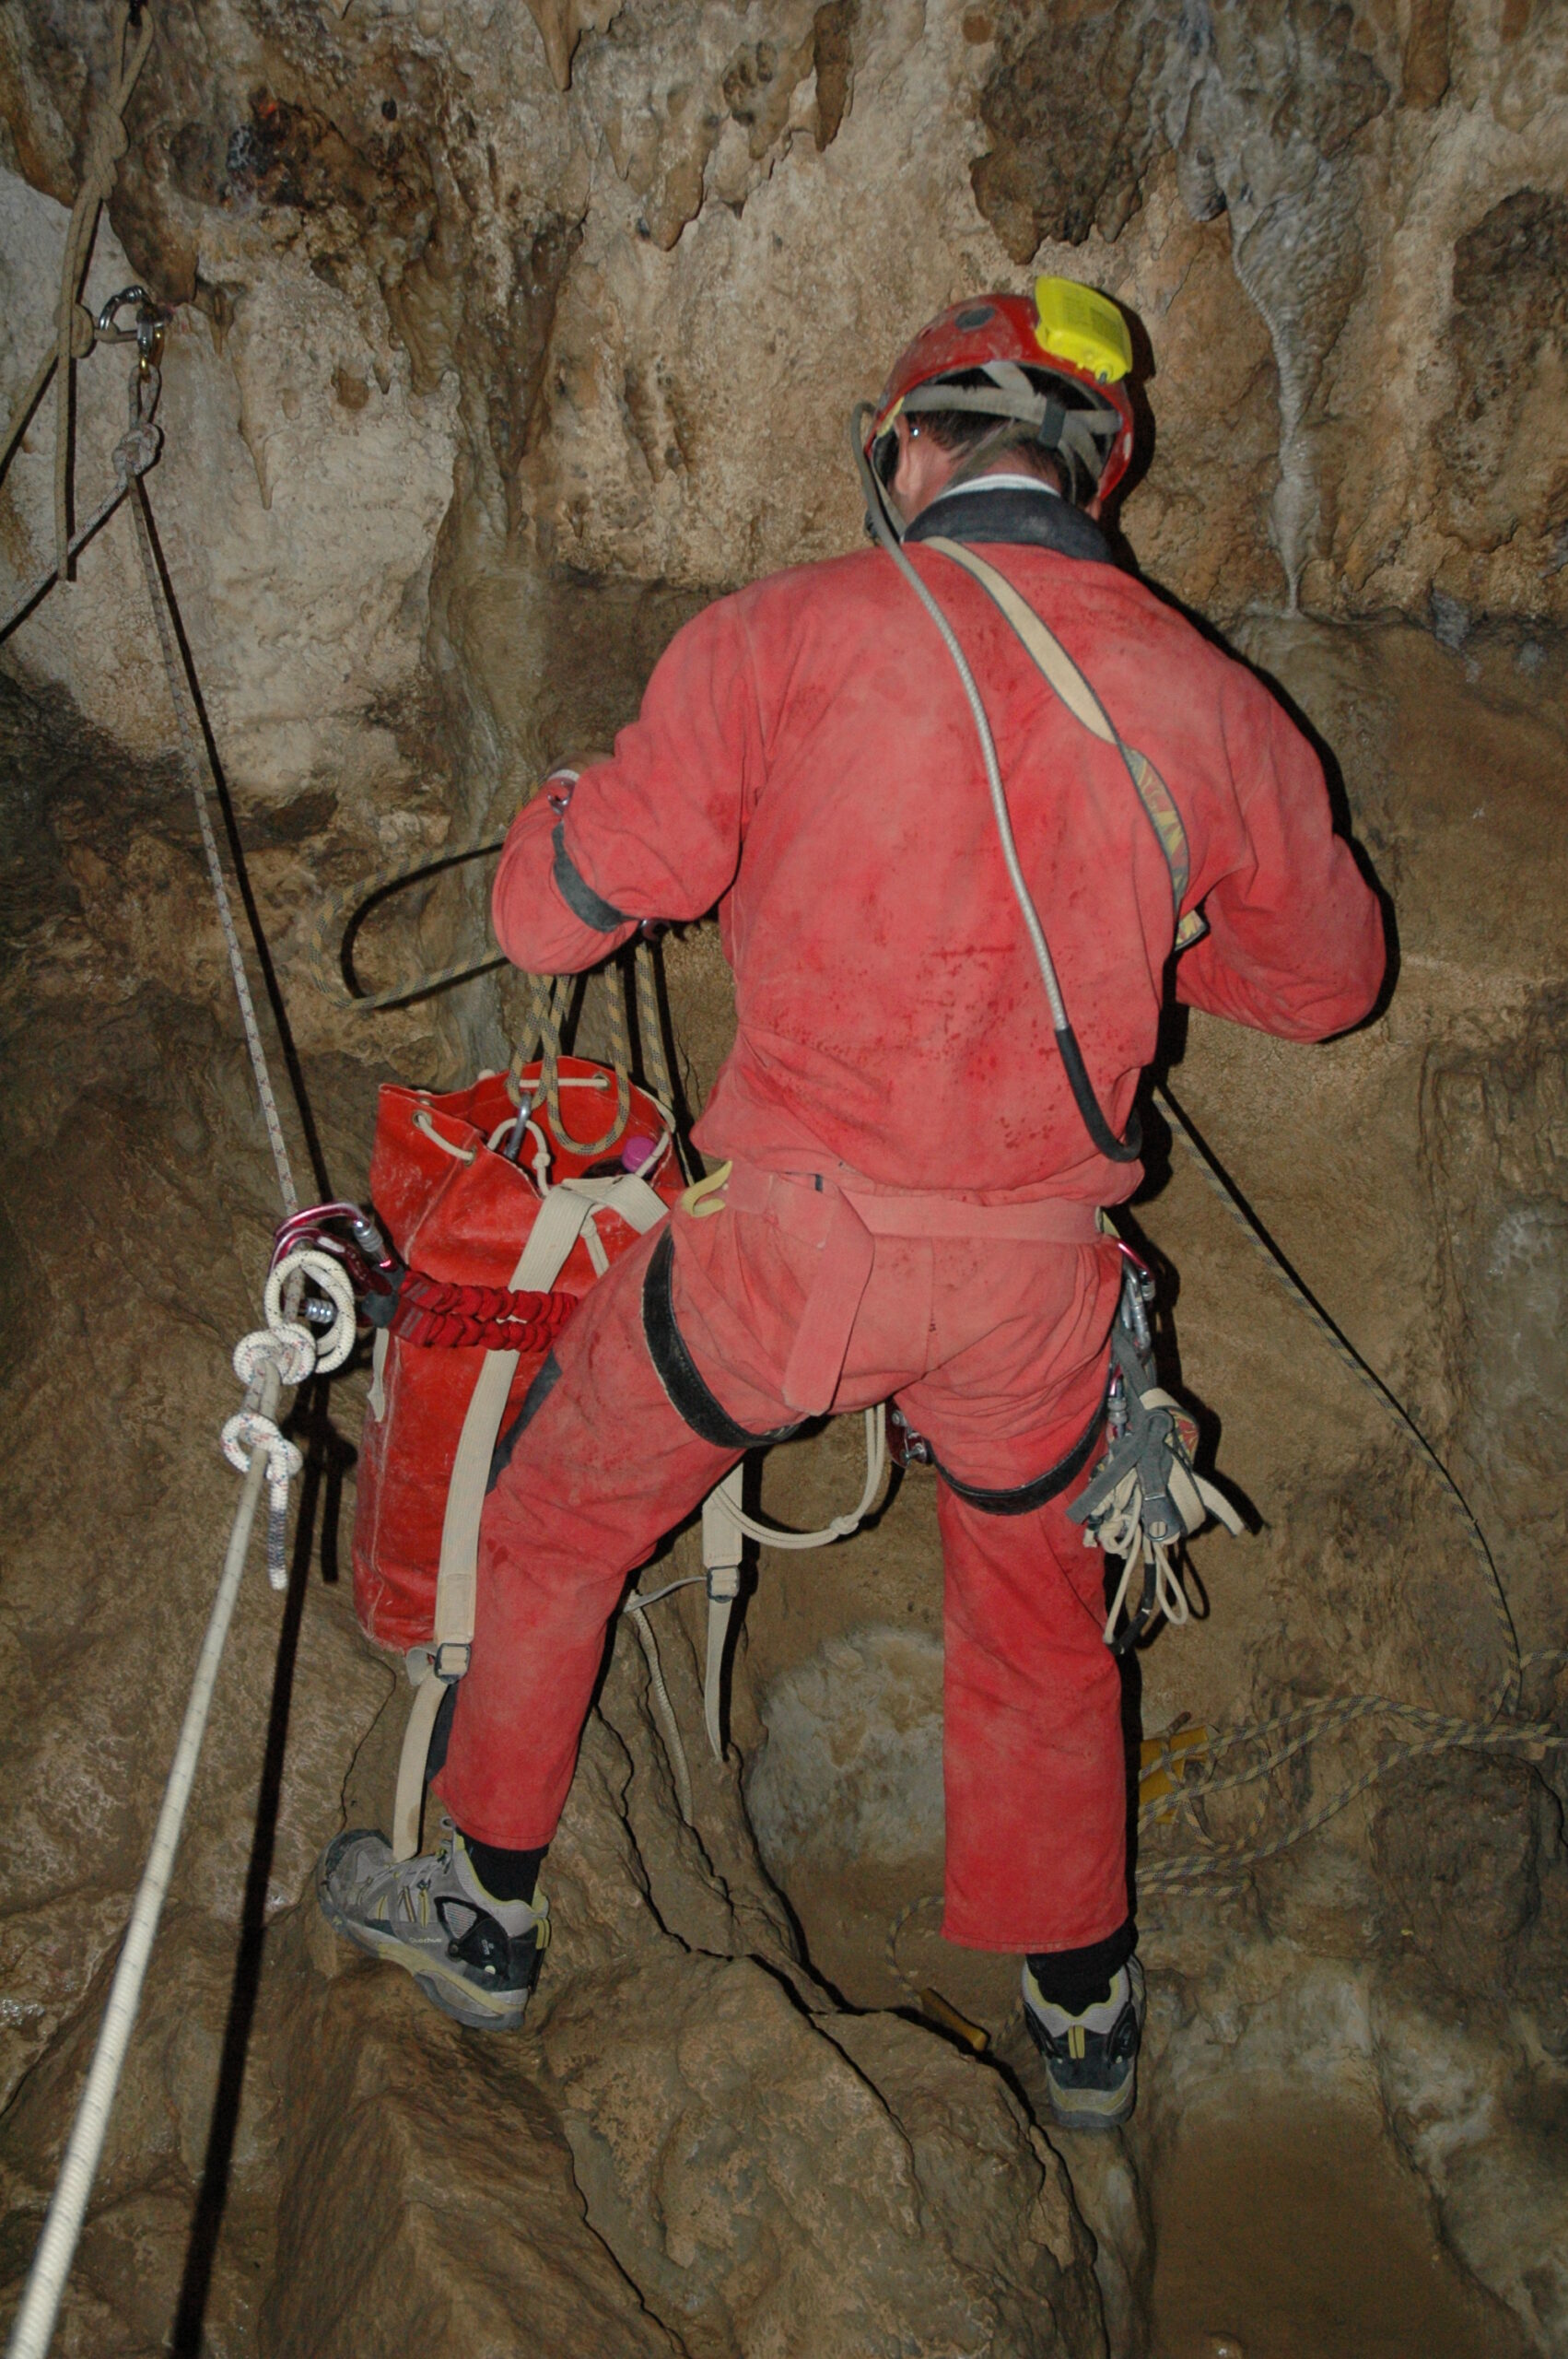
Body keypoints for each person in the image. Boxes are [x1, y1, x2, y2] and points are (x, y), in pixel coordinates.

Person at [318, 278, 1385, 2130]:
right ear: (1089, 473)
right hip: (1035, 1287)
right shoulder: (1216, 703)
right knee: (1039, 1625)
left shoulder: (783, 633)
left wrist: (572, 810)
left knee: (558, 1517)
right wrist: (1147, 924)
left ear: (908, 449)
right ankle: (1081, 2026)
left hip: (779, 1257)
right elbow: (1326, 980)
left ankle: (484, 1910)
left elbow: (543, 918)